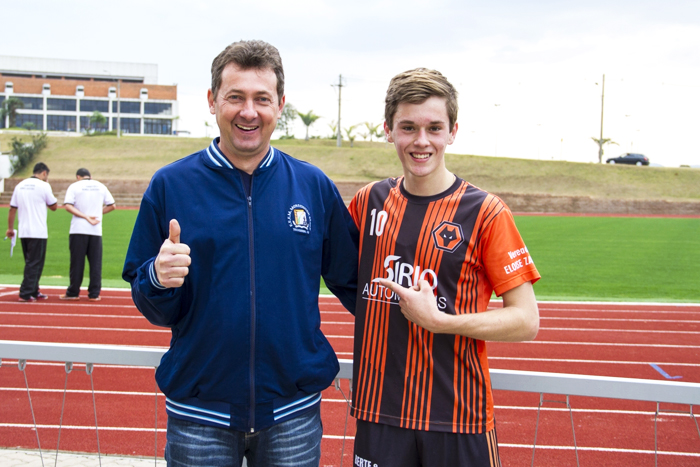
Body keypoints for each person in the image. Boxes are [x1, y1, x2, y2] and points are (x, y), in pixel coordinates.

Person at [122, 40, 358, 467]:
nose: (249, 112)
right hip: (199, 416)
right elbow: (151, 303)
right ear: (213, 101)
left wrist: (429, 320)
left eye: (261, 99)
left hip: (293, 415)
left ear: (280, 105)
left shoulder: (312, 186)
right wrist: (157, 277)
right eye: (235, 97)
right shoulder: (170, 185)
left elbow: (356, 283)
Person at [348, 68, 541, 466]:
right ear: (388, 130)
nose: (421, 141)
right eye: (408, 128)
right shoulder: (368, 202)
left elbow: (526, 320)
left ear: (452, 131)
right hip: (378, 411)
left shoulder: (485, 212)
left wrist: (441, 321)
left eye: (434, 128)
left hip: (458, 417)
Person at [59, 168, 116, 301]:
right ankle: (94, 293)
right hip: (96, 230)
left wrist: (85, 216)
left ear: (78, 176)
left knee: (77, 263)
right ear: (90, 176)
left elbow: (68, 206)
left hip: (78, 229)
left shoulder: (74, 186)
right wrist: (97, 213)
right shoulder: (100, 186)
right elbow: (112, 205)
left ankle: (73, 292)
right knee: (95, 263)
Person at [6, 162, 58, 302]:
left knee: (31, 261)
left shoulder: (20, 185)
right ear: (44, 173)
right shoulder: (44, 185)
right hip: (38, 231)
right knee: (35, 263)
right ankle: (25, 292)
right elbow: (54, 206)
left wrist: (10, 228)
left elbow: (12, 208)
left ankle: (34, 289)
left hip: (24, 230)